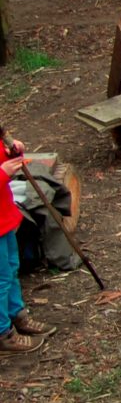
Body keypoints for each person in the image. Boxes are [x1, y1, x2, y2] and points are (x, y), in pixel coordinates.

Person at [0, 127, 53, 356]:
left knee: (11, 269)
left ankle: (17, 315)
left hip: (4, 217)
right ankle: (3, 334)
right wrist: (3, 172)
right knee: (0, 279)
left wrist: (9, 153)